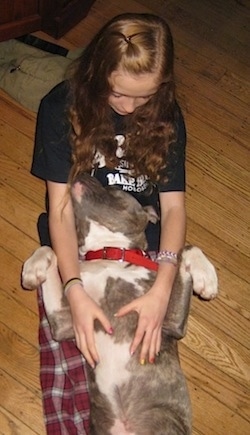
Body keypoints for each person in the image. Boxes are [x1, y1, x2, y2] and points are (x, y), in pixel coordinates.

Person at [31, 12, 186, 434]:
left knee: (151, 358)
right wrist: (73, 288)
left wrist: (164, 285)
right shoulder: (61, 107)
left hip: (138, 238)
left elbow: (173, 208)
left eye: (146, 97)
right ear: (98, 69)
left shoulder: (166, 115)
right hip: (78, 238)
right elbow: (60, 208)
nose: (131, 107)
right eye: (119, 93)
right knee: (68, 356)